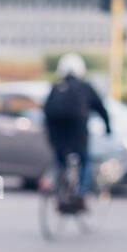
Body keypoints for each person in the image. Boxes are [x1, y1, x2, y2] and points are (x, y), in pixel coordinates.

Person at [42, 52, 111, 199]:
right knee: (85, 160)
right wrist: (108, 128)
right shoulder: (85, 87)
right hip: (78, 135)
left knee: (60, 161)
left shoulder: (56, 87)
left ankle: (58, 188)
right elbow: (101, 109)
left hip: (57, 137)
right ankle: (81, 192)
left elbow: (46, 111)